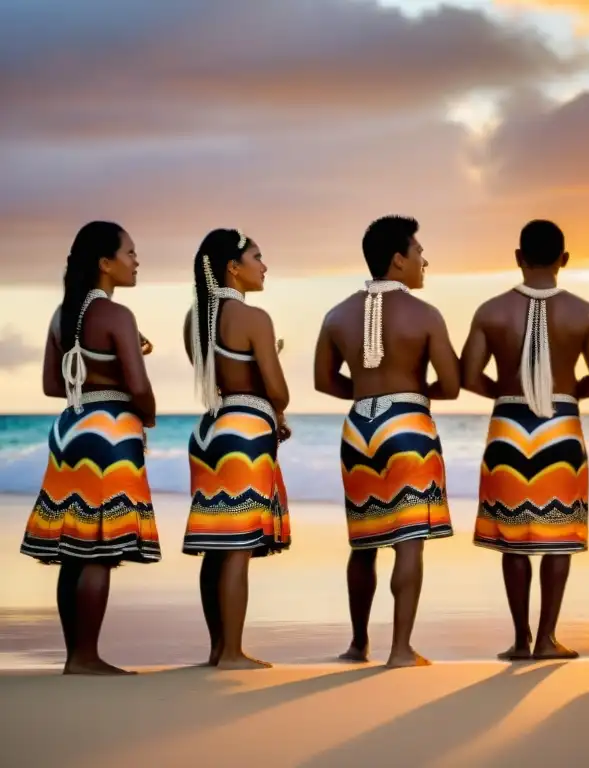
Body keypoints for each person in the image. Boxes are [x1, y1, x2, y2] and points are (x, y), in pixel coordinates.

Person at [461, 219, 589, 660]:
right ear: (564, 259)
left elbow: (470, 376)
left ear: (518, 258)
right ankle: (548, 638)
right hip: (560, 425)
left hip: (508, 425)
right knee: (558, 535)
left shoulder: (490, 311)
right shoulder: (584, 312)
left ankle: (521, 639)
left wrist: (510, 395)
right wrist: (563, 395)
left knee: (513, 539)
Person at [314, 215, 459, 668]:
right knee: (408, 541)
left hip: (358, 426)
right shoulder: (426, 314)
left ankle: (358, 644)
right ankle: (400, 650)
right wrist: (411, 395)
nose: (424, 261)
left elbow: (323, 381)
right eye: (419, 253)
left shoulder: (336, 314)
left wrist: (366, 393)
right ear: (398, 260)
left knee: (363, 542)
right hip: (407, 425)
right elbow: (452, 385)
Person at [21, 221, 161, 675]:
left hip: (70, 429)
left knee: (73, 547)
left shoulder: (62, 315)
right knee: (100, 547)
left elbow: (50, 385)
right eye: (130, 253)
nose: (136, 261)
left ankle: (74, 655)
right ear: (105, 263)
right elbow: (139, 388)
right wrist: (149, 414)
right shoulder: (118, 317)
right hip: (111, 432)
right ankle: (87, 657)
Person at [181, 228, 291, 670]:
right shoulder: (254, 318)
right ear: (233, 267)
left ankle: (217, 648)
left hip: (210, 430)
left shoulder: (195, 318)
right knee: (238, 549)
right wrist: (275, 401)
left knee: (217, 545)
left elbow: (216, 379)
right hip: (246, 431)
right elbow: (277, 391)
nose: (264, 266)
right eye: (258, 257)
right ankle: (231, 652)